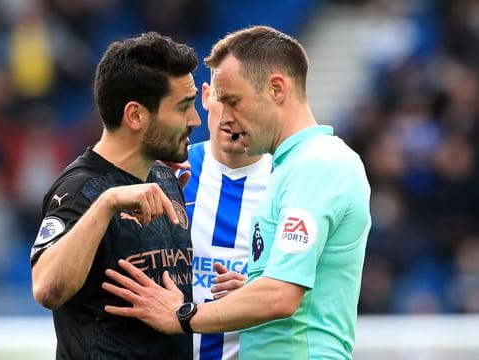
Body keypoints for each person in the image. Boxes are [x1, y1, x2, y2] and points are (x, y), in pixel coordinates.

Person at [101, 25, 372, 360]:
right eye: (219, 101)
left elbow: (280, 297)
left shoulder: (319, 165)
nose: (225, 117)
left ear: (276, 89)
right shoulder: (292, 166)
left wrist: (180, 315)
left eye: (233, 101)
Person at [30, 31, 201, 359]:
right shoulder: (79, 189)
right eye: (183, 107)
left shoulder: (165, 177)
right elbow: (47, 289)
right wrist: (106, 204)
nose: (194, 120)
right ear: (136, 115)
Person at [184, 77, 272, 360]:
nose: (232, 116)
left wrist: (257, 294)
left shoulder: (287, 183)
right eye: (225, 100)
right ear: (207, 96)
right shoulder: (169, 173)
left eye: (243, 103)